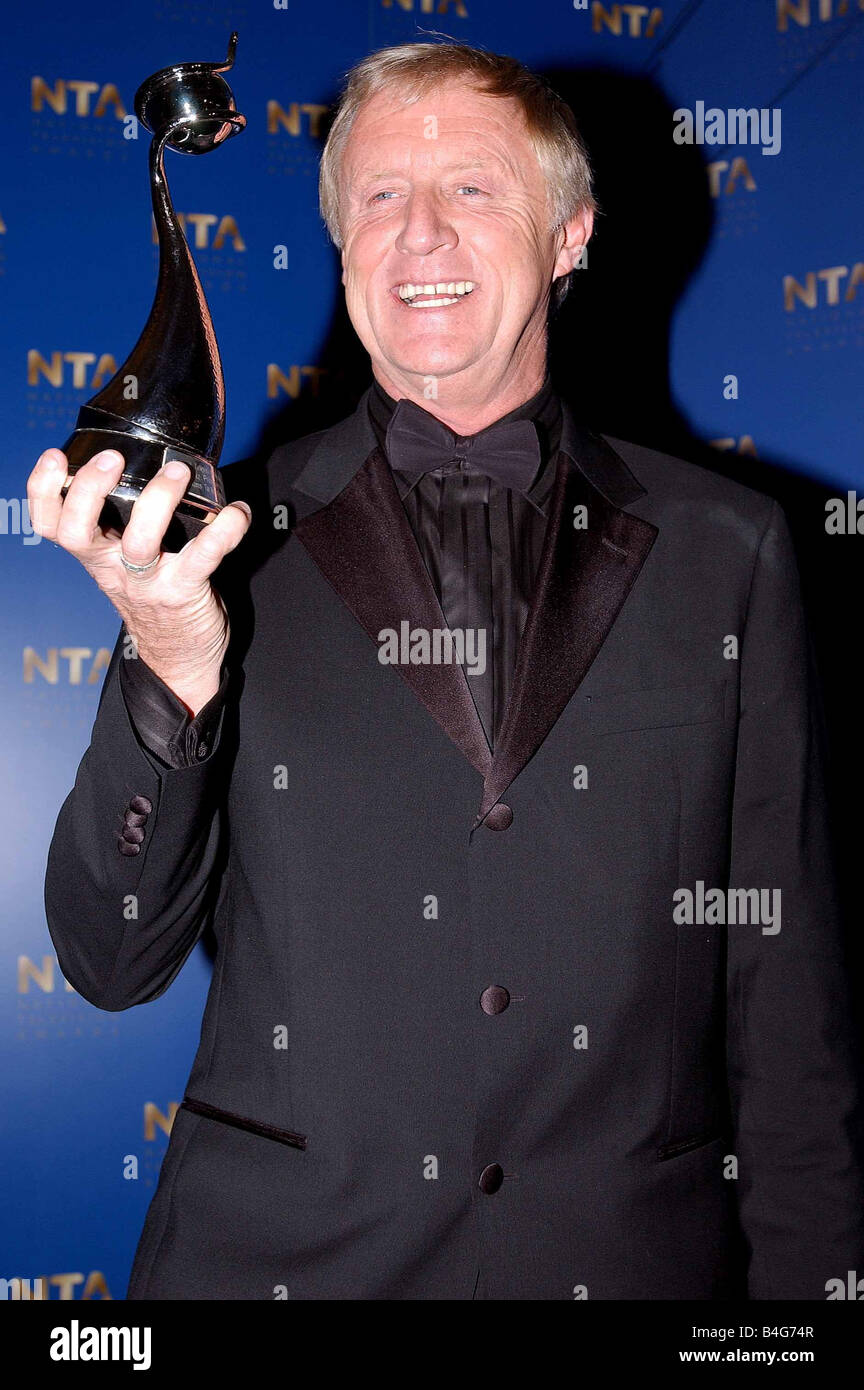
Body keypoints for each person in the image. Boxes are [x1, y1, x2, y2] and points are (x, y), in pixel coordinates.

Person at [30, 40, 863, 1300]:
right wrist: (172, 656)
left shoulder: (729, 548)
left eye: (471, 189)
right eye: (377, 197)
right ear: (341, 245)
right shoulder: (216, 545)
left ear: (570, 235)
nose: (418, 233)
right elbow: (108, 959)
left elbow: (787, 1004)